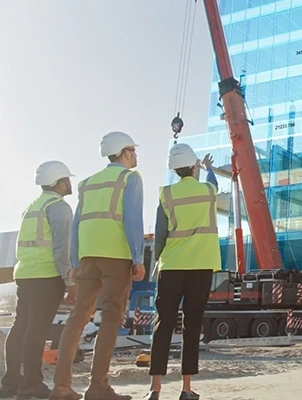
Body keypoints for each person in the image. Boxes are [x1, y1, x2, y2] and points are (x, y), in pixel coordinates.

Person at [50, 131, 146, 400]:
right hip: (116, 256)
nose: (135, 156)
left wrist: (75, 261)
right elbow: (133, 222)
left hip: (88, 257)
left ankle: (61, 386)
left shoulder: (88, 183)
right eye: (133, 151)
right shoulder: (130, 178)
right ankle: (98, 386)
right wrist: (137, 259)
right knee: (111, 319)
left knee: (77, 318)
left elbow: (77, 224)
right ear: (125, 153)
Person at [143, 144, 220, 400]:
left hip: (172, 265)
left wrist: (158, 262)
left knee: (163, 323)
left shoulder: (166, 194)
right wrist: (208, 169)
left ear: (174, 169)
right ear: (194, 166)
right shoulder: (207, 191)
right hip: (200, 265)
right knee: (192, 323)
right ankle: (186, 389)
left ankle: (154, 389)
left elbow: (161, 234)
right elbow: (213, 183)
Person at [0, 161, 76, 400]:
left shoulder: (32, 206)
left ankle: (10, 383)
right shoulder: (59, 207)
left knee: (19, 327)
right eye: (68, 179)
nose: (70, 183)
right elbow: (61, 248)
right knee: (37, 331)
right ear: (61, 182)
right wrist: (69, 279)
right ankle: (31, 383)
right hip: (46, 276)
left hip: (25, 274)